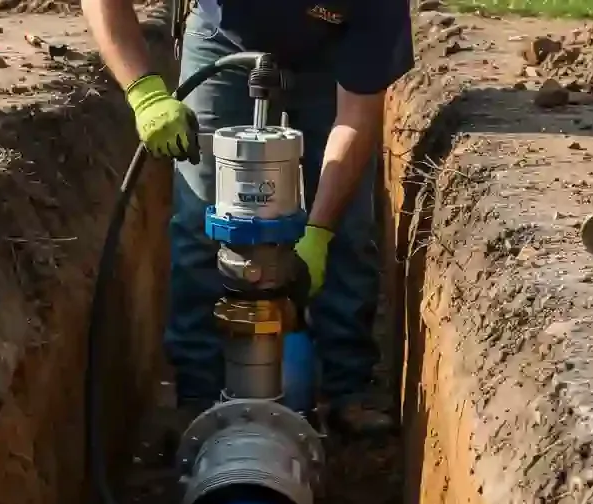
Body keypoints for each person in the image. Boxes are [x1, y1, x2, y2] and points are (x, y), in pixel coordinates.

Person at [80, 0, 414, 436]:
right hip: (224, 40)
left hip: (334, 56)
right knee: (202, 218)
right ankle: (198, 395)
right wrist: (145, 94)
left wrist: (316, 233)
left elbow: (356, 116)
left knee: (346, 228)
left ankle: (347, 387)